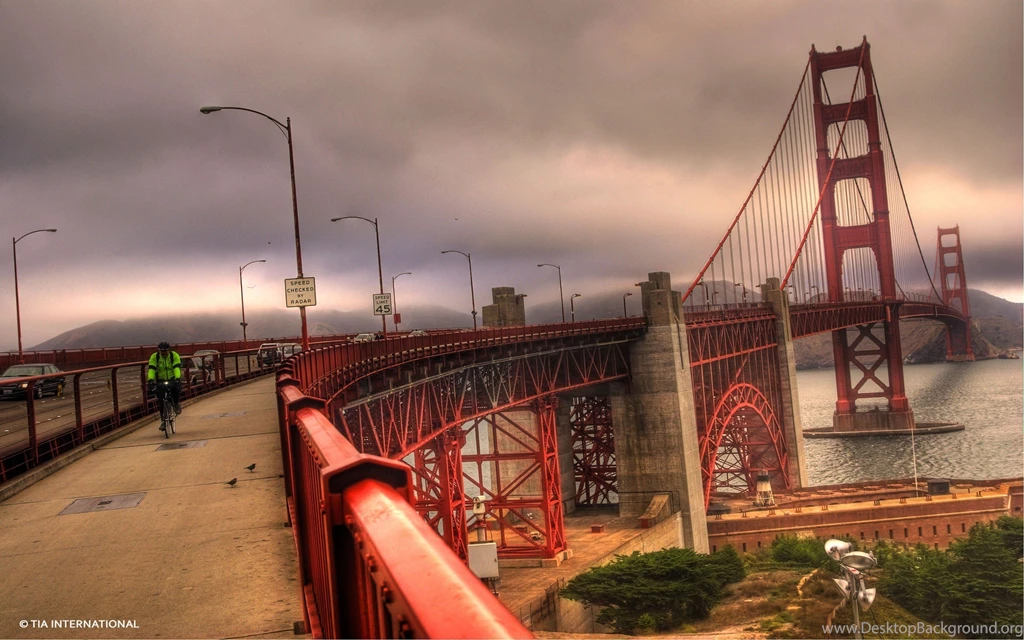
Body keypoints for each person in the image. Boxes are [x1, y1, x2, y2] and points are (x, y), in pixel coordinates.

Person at [148, 341, 182, 427]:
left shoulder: (173, 356)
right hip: (161, 380)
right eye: (162, 351)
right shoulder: (155, 357)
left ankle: (176, 404)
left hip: (172, 378)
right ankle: (163, 421)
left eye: (165, 351)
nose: (164, 353)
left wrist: (177, 378)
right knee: (161, 400)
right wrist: (151, 380)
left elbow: (176, 368)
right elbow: (152, 369)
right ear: (159, 351)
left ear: (169, 350)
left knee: (176, 389)